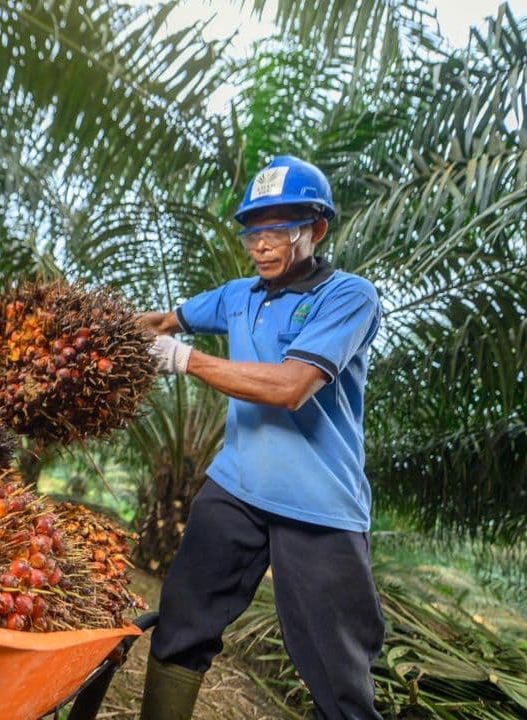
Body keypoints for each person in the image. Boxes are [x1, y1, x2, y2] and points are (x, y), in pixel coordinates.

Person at [138, 155, 384, 720]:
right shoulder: (237, 296)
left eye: (278, 229)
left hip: (318, 507)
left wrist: (182, 359)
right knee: (181, 623)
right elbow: (161, 322)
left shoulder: (348, 296)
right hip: (234, 489)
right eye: (253, 230)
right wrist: (103, 335)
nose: (262, 245)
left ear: (315, 229)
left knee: (338, 678)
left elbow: (292, 387)